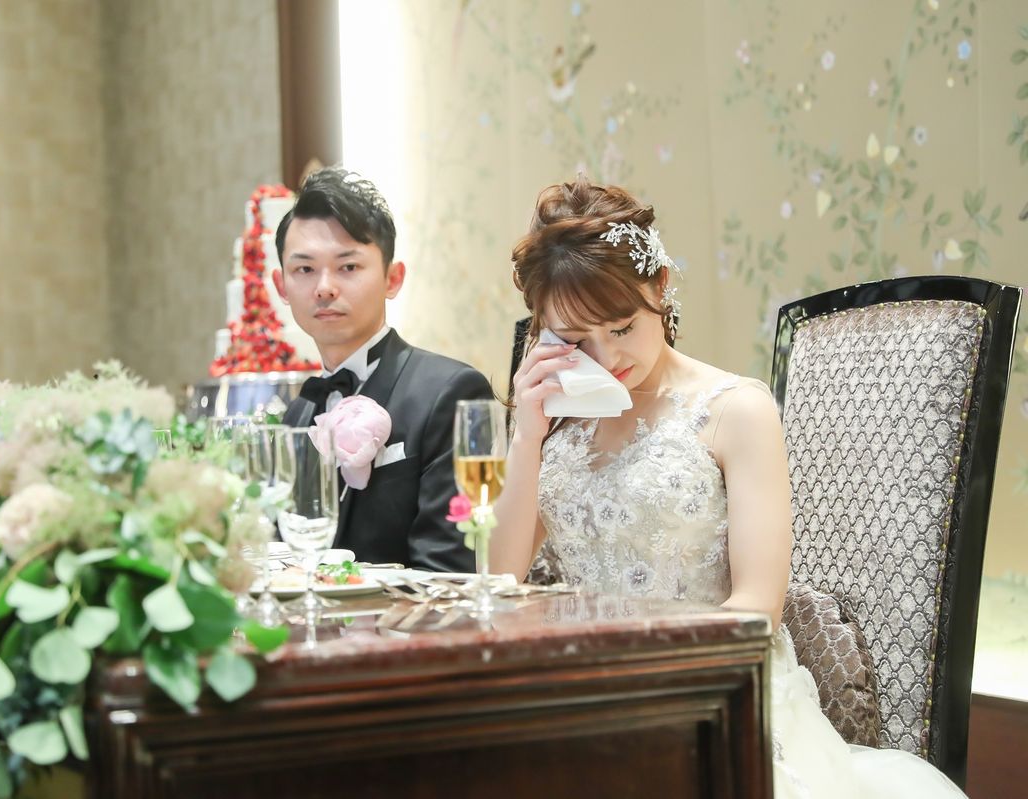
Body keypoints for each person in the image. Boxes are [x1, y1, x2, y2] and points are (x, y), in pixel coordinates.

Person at [490, 176, 965, 798]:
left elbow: (758, 606)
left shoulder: (735, 410)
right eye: (578, 340)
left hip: (711, 698)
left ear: (660, 287)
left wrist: (646, 691)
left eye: (624, 327)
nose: (607, 359)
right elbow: (500, 580)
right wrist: (527, 435)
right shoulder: (559, 418)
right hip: (586, 699)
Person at [272, 166, 494, 572]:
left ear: (393, 278)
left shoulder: (451, 392)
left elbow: (450, 571)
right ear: (281, 285)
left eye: (348, 267)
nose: (324, 287)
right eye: (304, 269)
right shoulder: (297, 415)